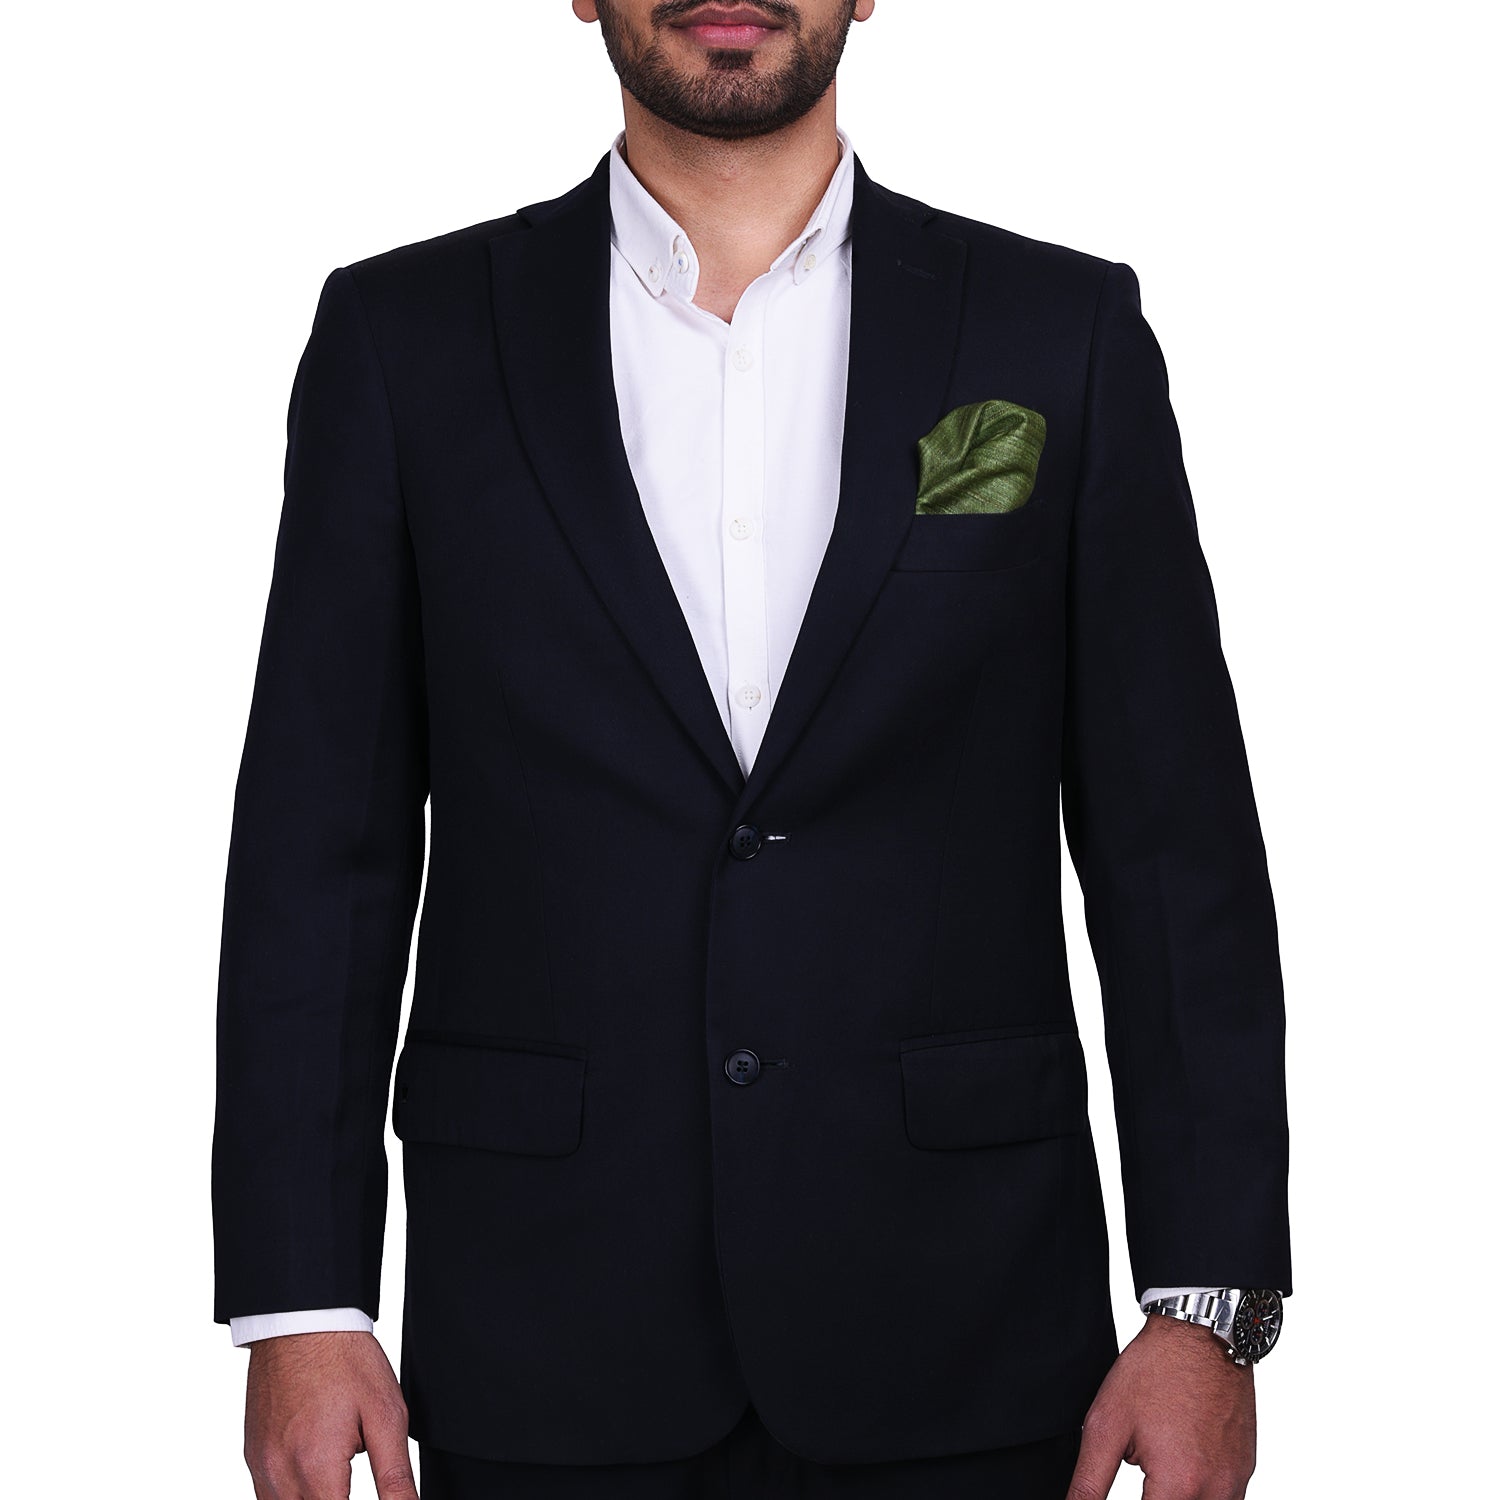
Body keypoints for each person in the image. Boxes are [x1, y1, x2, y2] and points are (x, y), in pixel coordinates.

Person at [211, 2, 1292, 1496]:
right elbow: (317, 851)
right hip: (541, 1335)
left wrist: (1208, 1307)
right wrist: (301, 1301)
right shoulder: (405, 338)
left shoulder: (1057, 332)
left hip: (963, 1323)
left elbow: (1175, 855)